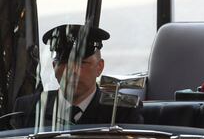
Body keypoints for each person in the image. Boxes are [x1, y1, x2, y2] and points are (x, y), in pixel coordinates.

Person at [12, 24, 143, 129]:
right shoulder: (27, 108)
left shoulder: (123, 110)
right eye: (64, 63)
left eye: (83, 63)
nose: (72, 70)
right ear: (54, 67)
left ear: (99, 67)